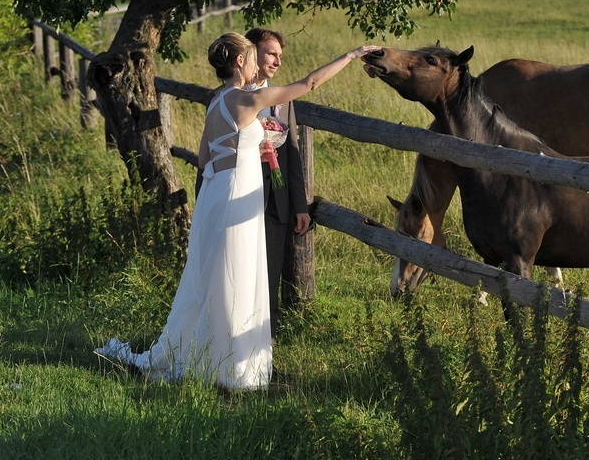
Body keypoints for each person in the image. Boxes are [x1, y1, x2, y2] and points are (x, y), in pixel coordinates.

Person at [97, 33, 381, 390]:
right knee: (238, 276)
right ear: (239, 63)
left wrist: (247, 150)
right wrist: (352, 54)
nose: (253, 64)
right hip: (237, 197)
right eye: (250, 57)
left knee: (215, 277)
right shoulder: (246, 100)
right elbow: (308, 83)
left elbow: (204, 159)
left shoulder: (217, 102)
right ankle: (230, 368)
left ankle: (211, 356)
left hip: (216, 195)